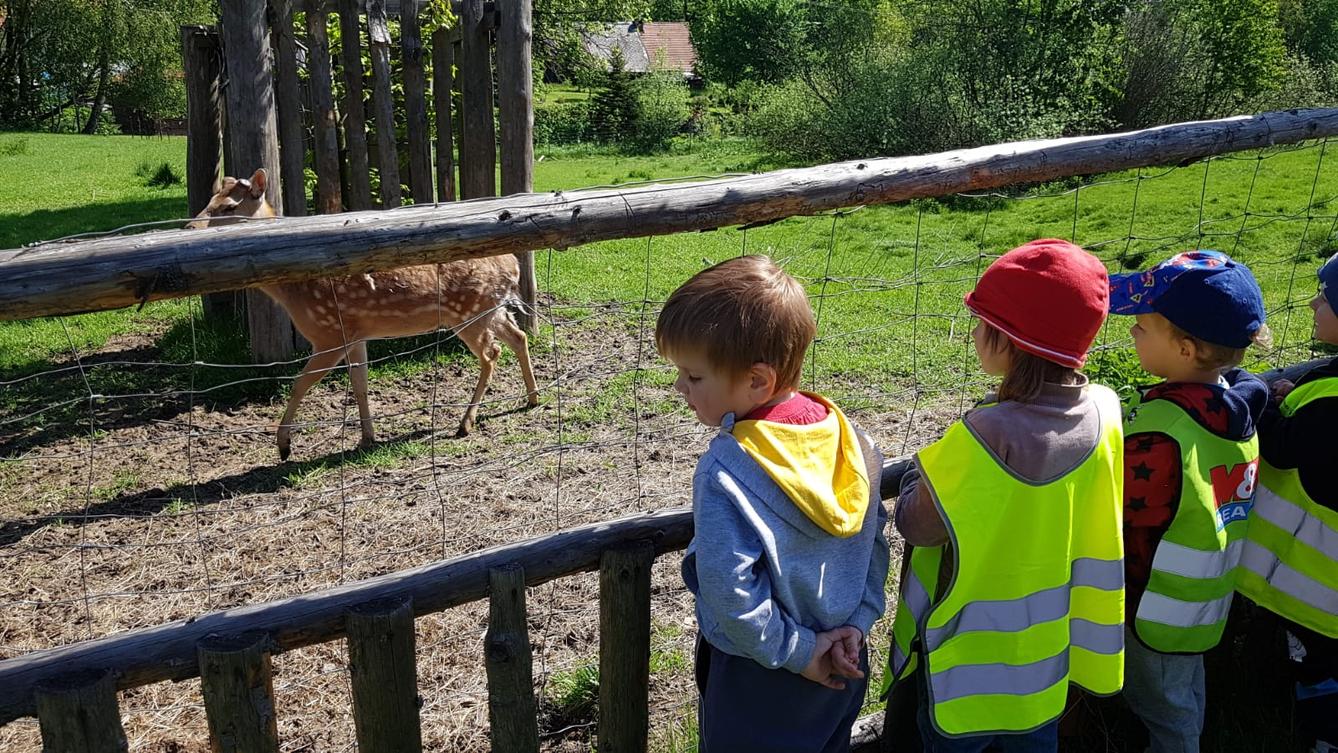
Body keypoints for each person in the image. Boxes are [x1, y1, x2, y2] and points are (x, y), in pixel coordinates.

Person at [887, 238, 1125, 752]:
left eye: (981, 323)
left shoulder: (985, 434)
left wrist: (915, 477)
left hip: (967, 667)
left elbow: (916, 524)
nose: (973, 333)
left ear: (1009, 340)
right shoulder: (1107, 411)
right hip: (1045, 657)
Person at [655, 255, 890, 753]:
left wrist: (801, 652)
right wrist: (857, 625)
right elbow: (875, 546)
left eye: (693, 377)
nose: (681, 389)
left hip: (759, 674)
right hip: (847, 659)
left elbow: (729, 588)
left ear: (758, 381)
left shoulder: (729, 469)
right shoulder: (854, 443)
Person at [1107, 250, 1271, 753]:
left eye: (1143, 325)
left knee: (1165, 710)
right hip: (1202, 595)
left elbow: (1116, 509)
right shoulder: (1233, 404)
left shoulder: (1162, 436)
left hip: (1151, 602)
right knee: (1183, 688)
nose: (1132, 329)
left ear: (1183, 349)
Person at [1243, 251, 1338, 753]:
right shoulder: (1325, 392)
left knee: (1317, 668)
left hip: (1316, 594)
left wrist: (1260, 400)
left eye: (1326, 296)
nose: (1313, 301)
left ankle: (1323, 735)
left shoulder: (1326, 405)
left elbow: (1282, 447)